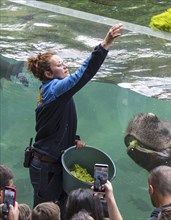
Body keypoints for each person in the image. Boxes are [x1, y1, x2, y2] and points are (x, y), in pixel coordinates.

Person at [26, 23, 123, 218]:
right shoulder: (54, 88)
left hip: (55, 163)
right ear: (48, 73)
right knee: (45, 214)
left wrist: (73, 140)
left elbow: (55, 125)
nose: (65, 66)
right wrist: (104, 44)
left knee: (62, 212)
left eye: (64, 62)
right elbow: (82, 75)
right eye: (59, 65)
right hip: (46, 168)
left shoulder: (55, 90)